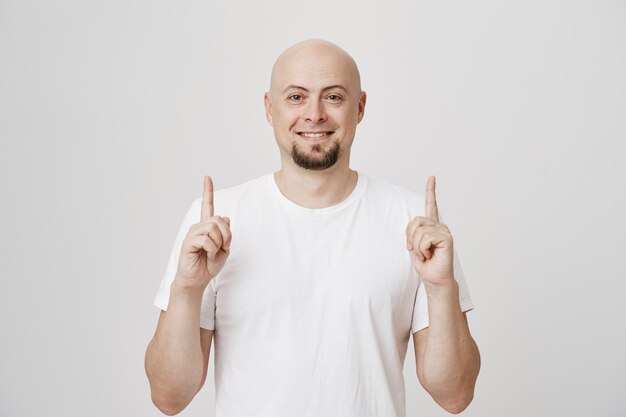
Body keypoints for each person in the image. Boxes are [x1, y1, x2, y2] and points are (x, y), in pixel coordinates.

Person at [144, 38, 480, 417]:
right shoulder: (214, 222)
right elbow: (169, 397)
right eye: (296, 97)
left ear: (360, 107)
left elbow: (455, 396)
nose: (314, 114)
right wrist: (187, 289)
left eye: (333, 97)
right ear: (270, 109)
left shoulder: (414, 223)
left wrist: (440, 289)